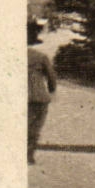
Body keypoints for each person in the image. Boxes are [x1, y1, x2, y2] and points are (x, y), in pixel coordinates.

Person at [28, 19, 57, 165]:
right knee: (35, 127)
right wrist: (52, 90)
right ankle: (29, 154)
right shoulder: (40, 56)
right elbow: (51, 76)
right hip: (39, 96)